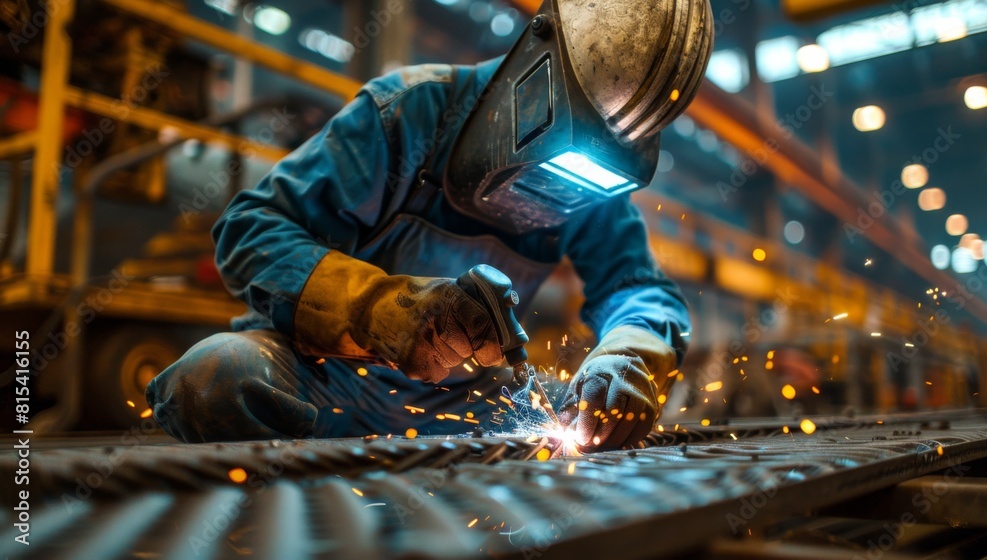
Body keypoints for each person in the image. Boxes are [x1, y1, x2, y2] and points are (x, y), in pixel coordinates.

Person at [146, 0, 714, 451]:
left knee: (593, 424)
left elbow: (637, 289)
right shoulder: (409, 113)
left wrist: (633, 352)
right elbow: (250, 229)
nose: (552, 196)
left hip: (466, 402)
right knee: (215, 375)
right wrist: (379, 308)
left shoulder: (602, 177)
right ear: (534, 72)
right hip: (325, 378)